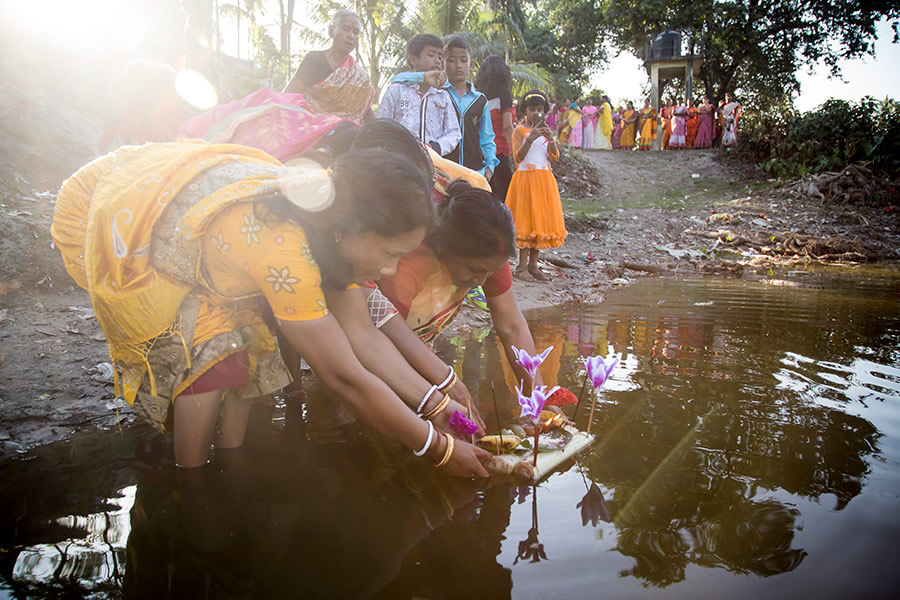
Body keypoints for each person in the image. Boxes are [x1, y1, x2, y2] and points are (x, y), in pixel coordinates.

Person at [51, 140, 491, 476]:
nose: (392, 268)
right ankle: (193, 485)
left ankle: (232, 472)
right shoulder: (284, 249)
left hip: (213, 245)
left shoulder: (332, 232)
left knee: (245, 366)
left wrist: (440, 405)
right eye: (391, 252)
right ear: (352, 229)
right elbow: (345, 376)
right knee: (214, 364)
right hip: (125, 221)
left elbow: (363, 336)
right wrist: (439, 449)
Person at [374, 181, 549, 394]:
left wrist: (540, 398)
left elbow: (511, 326)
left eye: (490, 272)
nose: (482, 281)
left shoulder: (492, 246)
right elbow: (384, 345)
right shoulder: (409, 262)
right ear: (444, 248)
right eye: (474, 270)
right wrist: (440, 396)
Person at [391, 37, 498, 178]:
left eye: (463, 60)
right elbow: (397, 79)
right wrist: (424, 76)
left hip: (474, 172)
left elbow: (487, 138)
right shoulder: (437, 94)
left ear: (470, 64)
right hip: (443, 171)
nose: (458, 65)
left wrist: (489, 168)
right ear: (443, 64)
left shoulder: (480, 100)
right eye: (451, 60)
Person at [506, 90, 566, 281]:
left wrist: (551, 139)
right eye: (532, 109)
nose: (536, 113)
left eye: (540, 109)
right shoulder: (519, 131)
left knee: (539, 221)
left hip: (544, 181)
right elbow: (517, 156)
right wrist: (530, 138)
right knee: (526, 220)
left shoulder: (546, 132)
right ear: (524, 111)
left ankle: (534, 265)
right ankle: (521, 267)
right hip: (525, 180)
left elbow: (554, 156)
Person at [283, 9, 374, 123]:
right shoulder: (314, 60)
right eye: (346, 29)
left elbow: (366, 113)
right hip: (312, 131)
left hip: (347, 136)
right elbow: (288, 95)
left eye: (356, 32)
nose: (351, 36)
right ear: (331, 31)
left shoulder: (360, 77)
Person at [378, 34, 461, 156]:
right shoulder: (397, 90)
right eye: (431, 55)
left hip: (431, 162)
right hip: (399, 160)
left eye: (440, 56)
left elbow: (454, 132)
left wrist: (435, 147)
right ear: (413, 59)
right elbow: (382, 126)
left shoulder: (442, 96)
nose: (437, 60)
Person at [475, 55, 516, 201]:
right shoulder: (504, 95)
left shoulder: (477, 94)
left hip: (481, 153)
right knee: (507, 196)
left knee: (489, 195)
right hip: (500, 151)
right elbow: (507, 127)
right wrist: (516, 154)